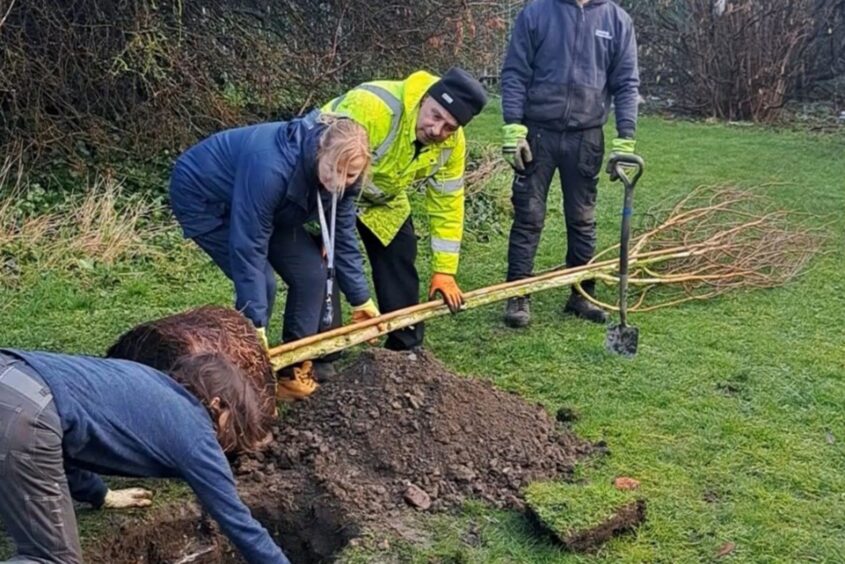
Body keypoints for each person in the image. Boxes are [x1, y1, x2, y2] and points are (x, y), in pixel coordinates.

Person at [0, 350, 289, 564]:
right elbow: (240, 524)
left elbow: (63, 435)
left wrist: (99, 494)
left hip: (11, 372)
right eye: (234, 423)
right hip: (26, 414)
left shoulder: (148, 381)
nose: (229, 439)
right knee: (53, 559)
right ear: (217, 405)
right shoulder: (195, 433)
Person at [169, 112, 379, 398]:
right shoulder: (271, 167)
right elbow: (249, 246)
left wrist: (360, 298)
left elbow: (341, 235)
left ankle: (291, 371)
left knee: (312, 274)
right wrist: (255, 323)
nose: (339, 182)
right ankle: (246, 378)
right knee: (262, 284)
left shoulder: (346, 177)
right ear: (320, 152)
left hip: (273, 203)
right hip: (206, 197)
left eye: (350, 175)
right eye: (334, 170)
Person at [323, 67, 488, 351]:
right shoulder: (372, 106)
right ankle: (325, 351)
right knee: (322, 263)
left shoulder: (451, 145)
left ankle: (404, 344)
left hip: (383, 198)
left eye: (449, 127)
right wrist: (327, 226)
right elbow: (326, 165)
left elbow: (447, 203)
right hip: (330, 189)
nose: (437, 131)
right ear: (424, 99)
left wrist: (445, 271)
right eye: (435, 116)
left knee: (400, 253)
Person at [500, 0, 641, 328]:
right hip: (538, 134)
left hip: (586, 136)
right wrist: (512, 126)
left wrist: (626, 138)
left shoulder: (617, 21)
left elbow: (626, 83)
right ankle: (518, 295)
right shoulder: (536, 13)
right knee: (528, 216)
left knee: (582, 219)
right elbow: (515, 72)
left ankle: (581, 294)